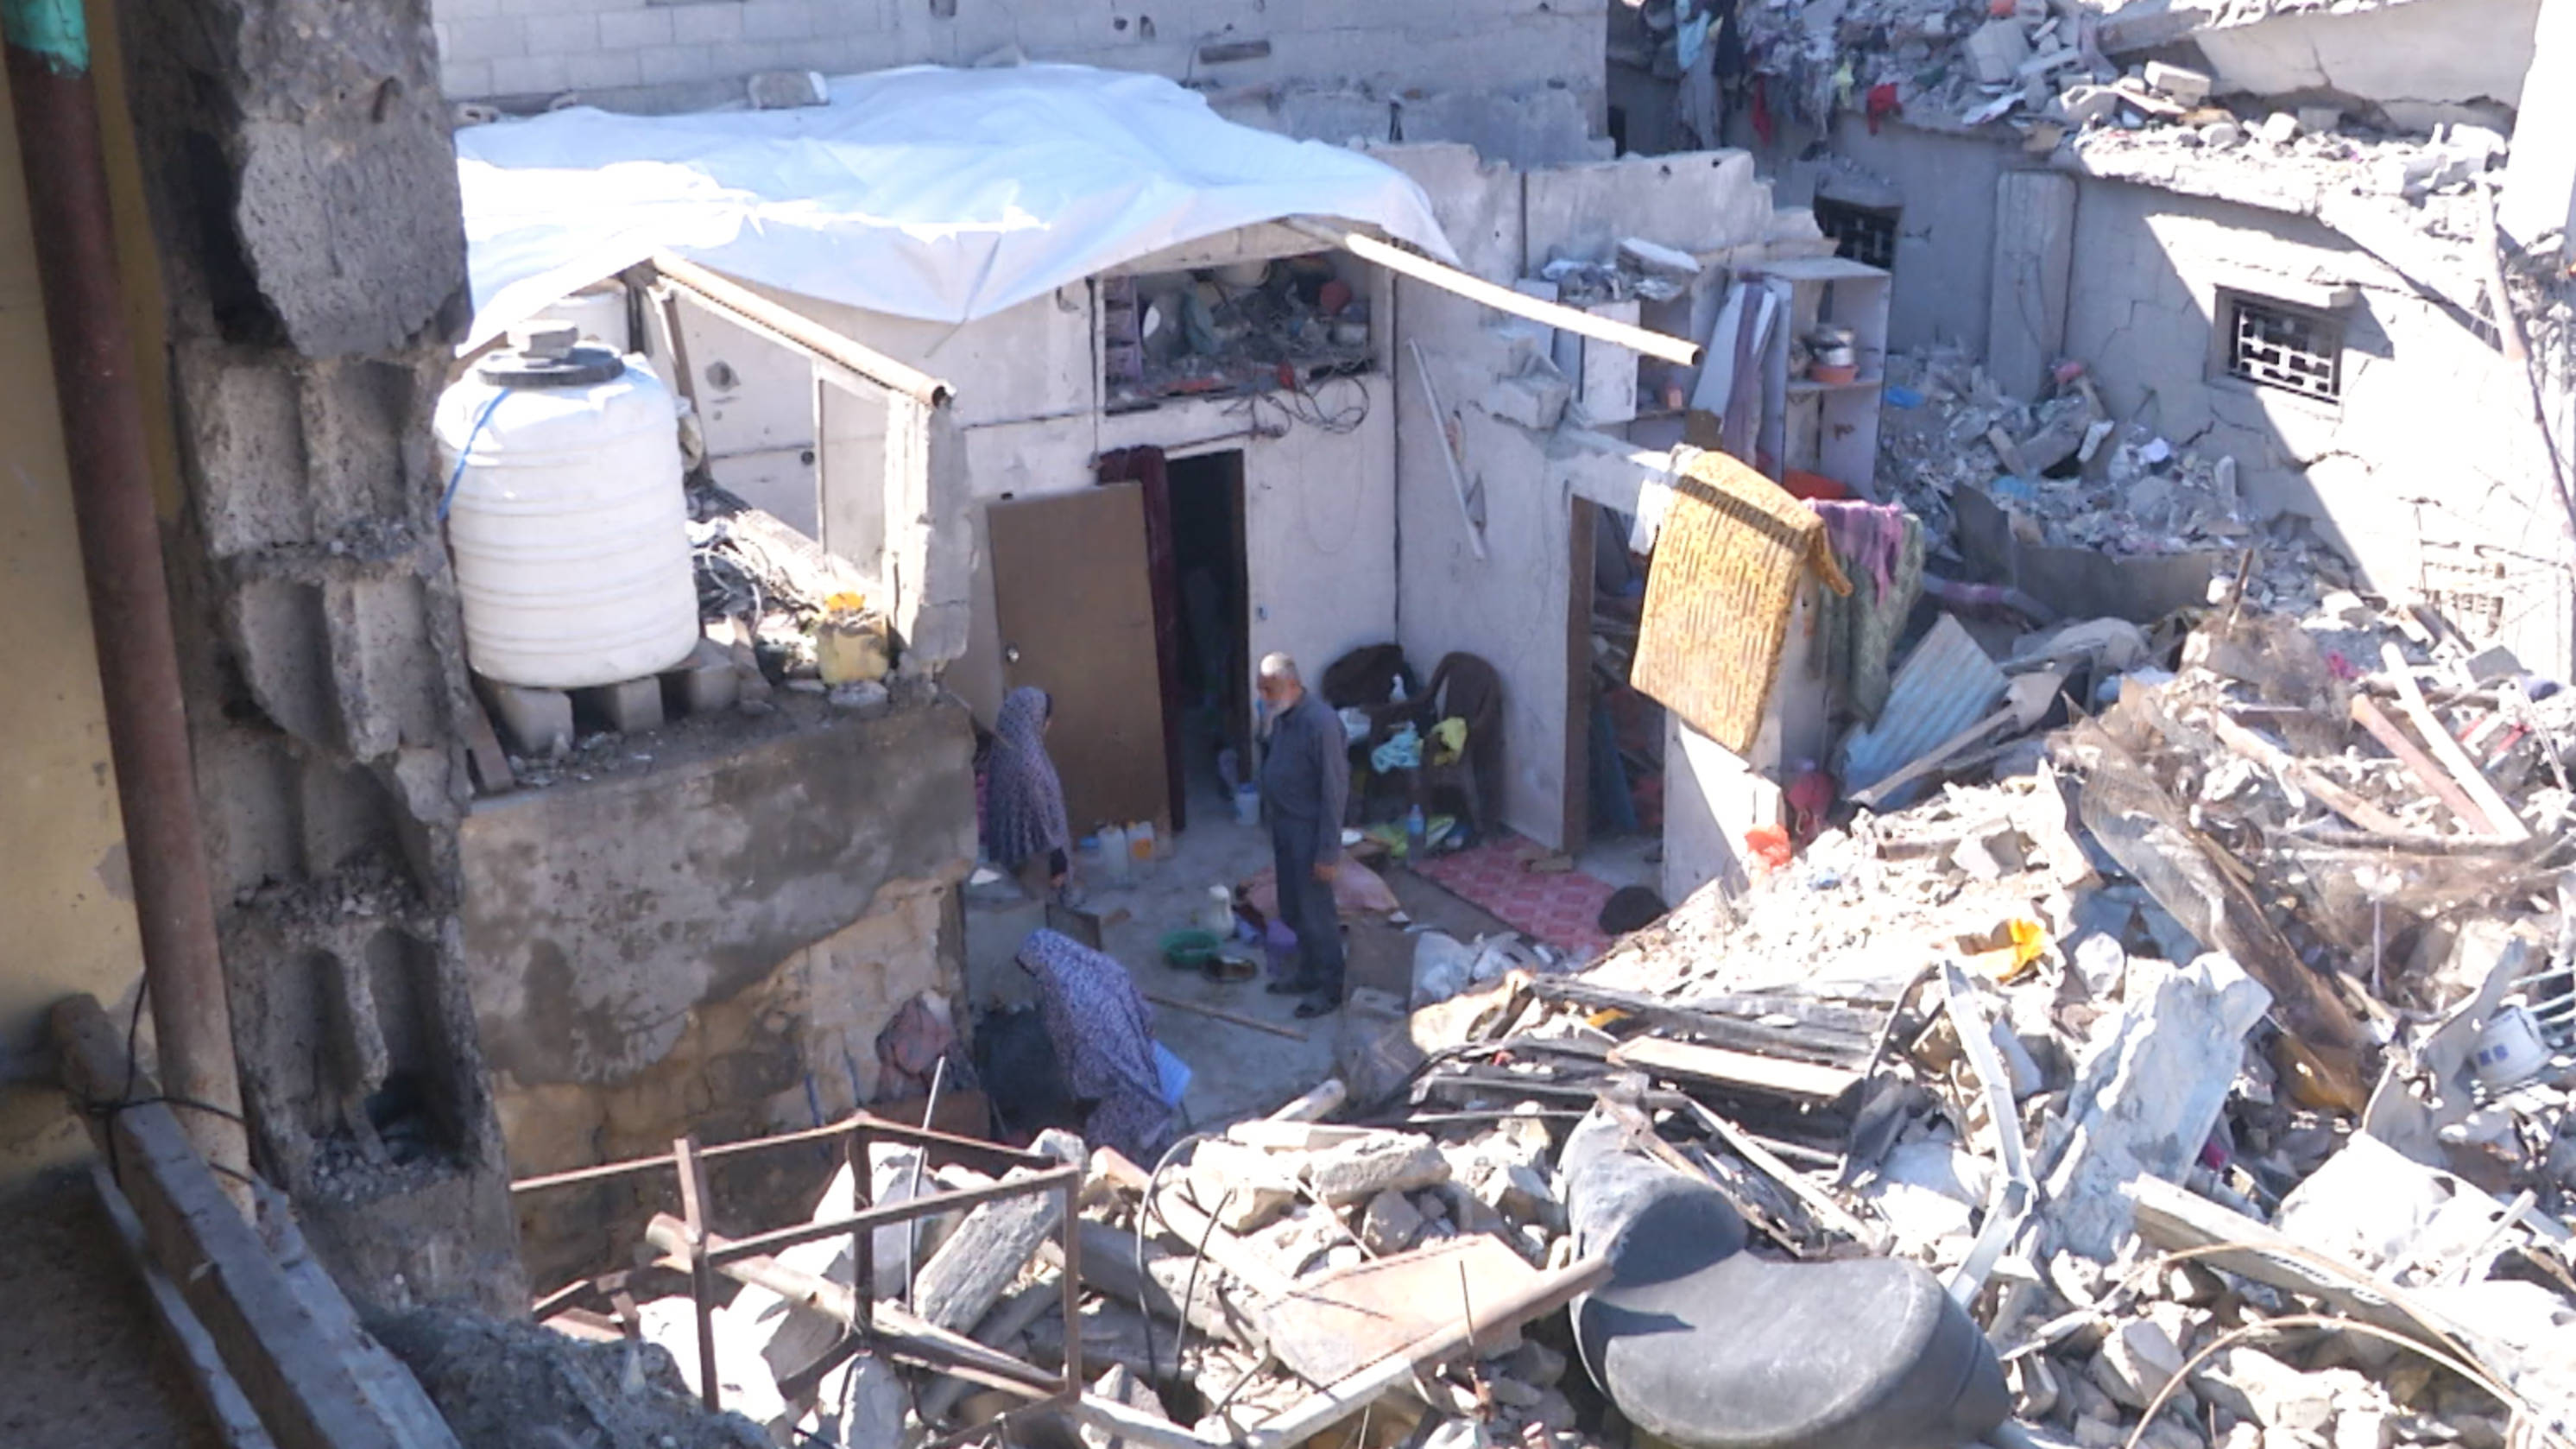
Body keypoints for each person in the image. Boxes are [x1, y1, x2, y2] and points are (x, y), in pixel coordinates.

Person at [1016, 928, 1174, 1161]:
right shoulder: (1100, 968)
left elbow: (1068, 1045)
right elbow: (1146, 1014)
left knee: (1104, 1151)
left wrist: (1079, 1095)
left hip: (1115, 1084)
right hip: (1137, 1054)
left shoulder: (1064, 993)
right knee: (1144, 1099)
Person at [1255, 652, 1349, 1018]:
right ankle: (1308, 973)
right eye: (1260, 689)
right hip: (1285, 826)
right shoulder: (1282, 717)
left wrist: (1328, 852)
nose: (1263, 695)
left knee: (1317, 912)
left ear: (1293, 685)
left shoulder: (1321, 723)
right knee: (1293, 906)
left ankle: (1331, 986)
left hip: (1309, 832)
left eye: (1270, 688)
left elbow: (1335, 791)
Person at [983, 687, 1071, 903]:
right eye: (1046, 718)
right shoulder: (1029, 765)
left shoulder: (1003, 755)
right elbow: (1039, 815)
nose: (1048, 724)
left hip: (1009, 857)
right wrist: (1058, 858)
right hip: (1037, 860)